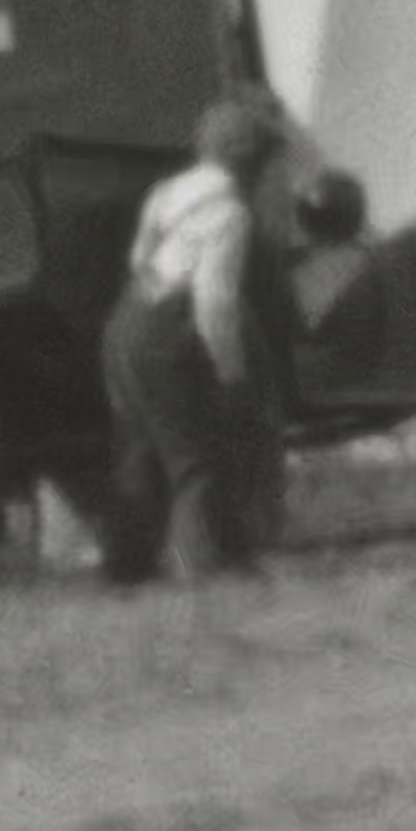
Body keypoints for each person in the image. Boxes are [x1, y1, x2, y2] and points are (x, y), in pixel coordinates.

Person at [107, 98, 287, 582]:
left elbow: (138, 258)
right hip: (168, 325)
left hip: (126, 320)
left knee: (141, 448)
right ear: (250, 162)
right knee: (198, 459)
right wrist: (230, 373)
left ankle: (125, 569)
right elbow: (215, 300)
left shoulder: (167, 191)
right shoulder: (230, 213)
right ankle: (200, 566)